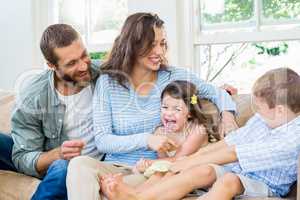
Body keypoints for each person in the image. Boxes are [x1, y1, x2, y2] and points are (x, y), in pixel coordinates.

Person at [66, 12, 238, 200]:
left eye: (162, 44)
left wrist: (228, 117)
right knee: (78, 164)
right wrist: (147, 139)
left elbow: (217, 93)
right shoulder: (107, 82)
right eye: (152, 45)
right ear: (132, 45)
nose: (160, 52)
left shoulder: (174, 76)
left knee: (117, 189)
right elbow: (102, 140)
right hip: (114, 166)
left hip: (150, 171)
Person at [100, 67, 300, 200]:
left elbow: (233, 153)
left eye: (259, 107)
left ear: (280, 110)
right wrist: (188, 161)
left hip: (263, 184)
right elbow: (227, 143)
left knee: (227, 181)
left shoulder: (292, 138)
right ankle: (135, 196)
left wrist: (185, 161)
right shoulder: (265, 120)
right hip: (238, 169)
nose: (255, 111)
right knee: (200, 169)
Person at [9, 24, 103, 200]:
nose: (84, 66)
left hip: (88, 165)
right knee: (61, 165)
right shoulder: (33, 96)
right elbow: (22, 157)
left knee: (63, 167)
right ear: (51, 65)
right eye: (72, 63)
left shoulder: (103, 75)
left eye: (84, 55)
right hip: (53, 157)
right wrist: (58, 154)